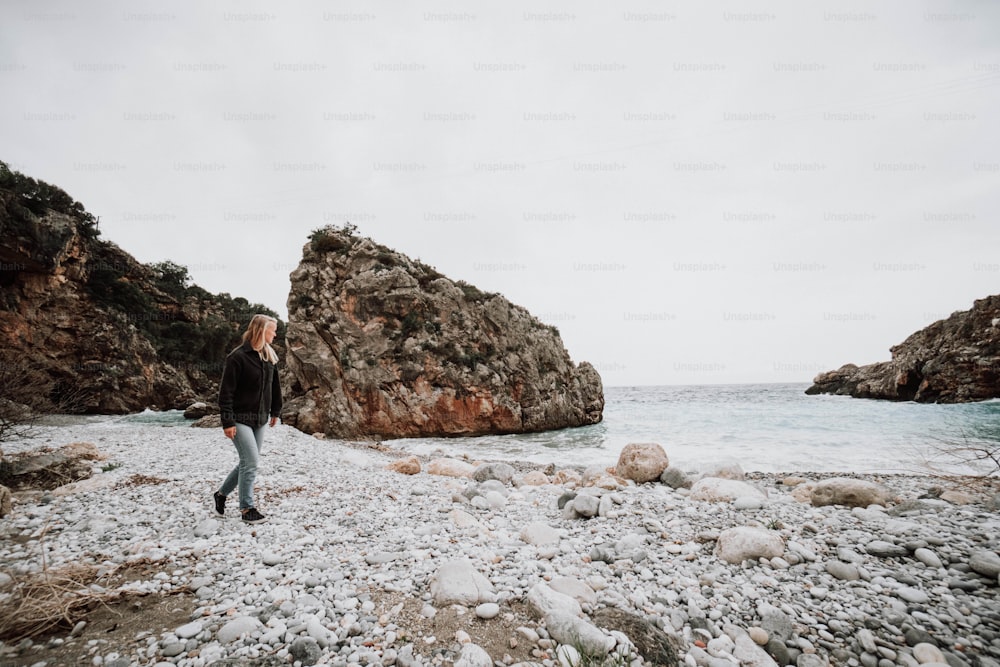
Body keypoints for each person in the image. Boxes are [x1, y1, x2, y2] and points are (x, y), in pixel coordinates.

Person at [214, 314, 282, 524]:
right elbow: (226, 393)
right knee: (251, 462)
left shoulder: (269, 356)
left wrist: (276, 412)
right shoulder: (237, 357)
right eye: (273, 330)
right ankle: (247, 508)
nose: (275, 334)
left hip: (260, 419)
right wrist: (227, 422)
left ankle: (221, 494)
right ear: (262, 331)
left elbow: (275, 387)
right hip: (239, 418)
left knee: (247, 462)